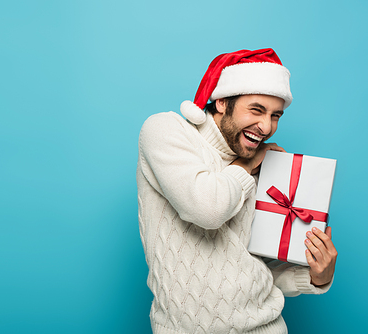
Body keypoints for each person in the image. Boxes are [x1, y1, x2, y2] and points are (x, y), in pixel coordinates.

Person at [136, 48, 337, 333]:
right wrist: (249, 163)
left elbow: (252, 269)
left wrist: (316, 276)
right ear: (221, 102)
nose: (266, 127)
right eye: (256, 110)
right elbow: (207, 209)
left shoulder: (266, 166)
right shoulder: (164, 130)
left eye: (276, 115)